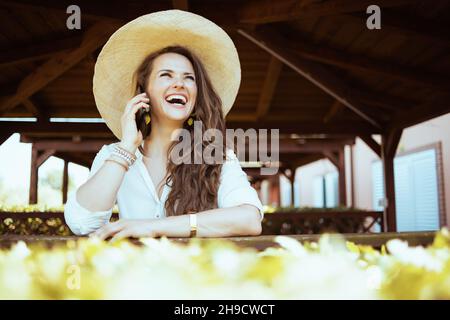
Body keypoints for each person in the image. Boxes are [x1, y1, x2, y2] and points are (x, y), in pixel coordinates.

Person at [64, 10, 264, 240]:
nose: (179, 83)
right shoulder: (113, 155)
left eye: (189, 78)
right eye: (166, 75)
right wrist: (127, 147)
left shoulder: (218, 156)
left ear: (197, 95)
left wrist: (154, 227)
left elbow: (249, 219)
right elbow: (81, 223)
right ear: (144, 92)